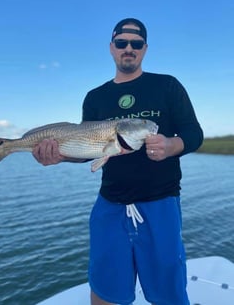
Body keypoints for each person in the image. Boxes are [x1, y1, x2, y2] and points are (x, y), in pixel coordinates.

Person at [32, 18, 203, 305]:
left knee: (169, 294)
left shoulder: (167, 86)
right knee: (106, 291)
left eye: (136, 44)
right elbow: (89, 148)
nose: (128, 48)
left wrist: (171, 145)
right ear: (112, 48)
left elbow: (194, 134)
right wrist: (60, 156)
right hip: (109, 204)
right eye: (121, 43)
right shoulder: (96, 97)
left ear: (144, 49)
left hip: (161, 203)